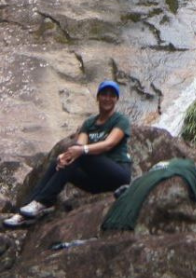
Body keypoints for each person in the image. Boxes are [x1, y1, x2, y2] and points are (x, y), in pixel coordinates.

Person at [3, 80, 132, 229]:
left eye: (112, 96)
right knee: (59, 162)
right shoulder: (90, 123)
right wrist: (64, 157)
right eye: (104, 95)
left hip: (118, 175)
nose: (107, 99)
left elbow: (109, 143)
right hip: (98, 183)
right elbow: (79, 145)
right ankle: (24, 214)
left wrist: (80, 151)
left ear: (116, 99)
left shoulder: (120, 120)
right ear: (98, 97)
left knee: (79, 154)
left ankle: (44, 201)